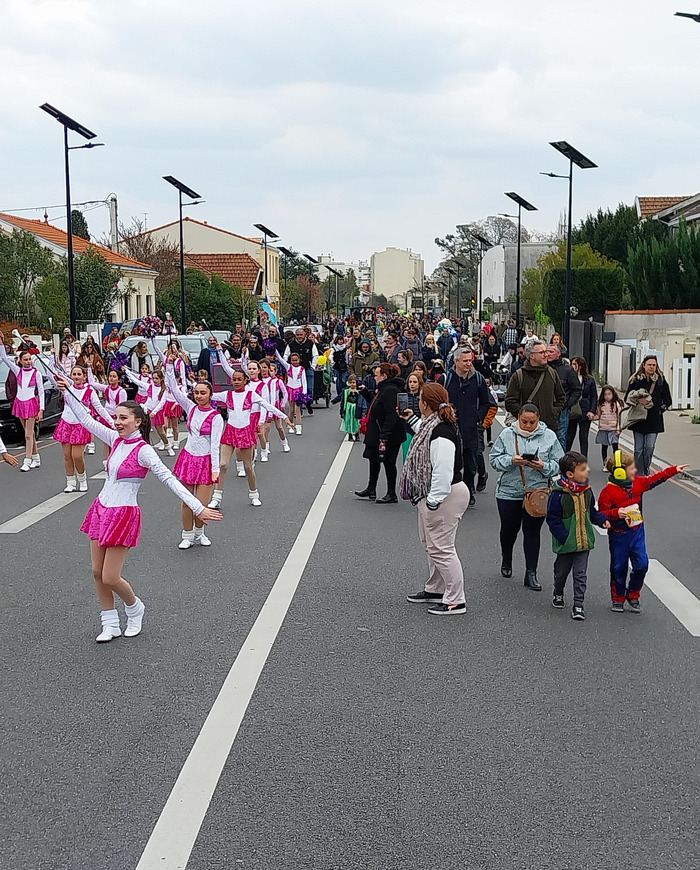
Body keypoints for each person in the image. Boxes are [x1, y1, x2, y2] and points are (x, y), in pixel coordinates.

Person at [55, 383, 221, 641]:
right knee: (97, 572)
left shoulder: (144, 451)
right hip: (101, 509)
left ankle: (134, 607)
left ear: (138, 421)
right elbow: (85, 418)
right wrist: (66, 391)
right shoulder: (113, 438)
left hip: (123, 514)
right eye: (116, 417)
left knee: (111, 576)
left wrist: (198, 507)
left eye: (123, 418)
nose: (117, 422)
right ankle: (109, 623)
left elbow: (169, 478)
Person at [401, 383, 469, 615]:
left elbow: (442, 469)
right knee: (431, 545)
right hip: (438, 493)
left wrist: (434, 499)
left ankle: (455, 599)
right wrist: (411, 420)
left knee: (441, 548)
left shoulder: (441, 432)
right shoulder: (435, 425)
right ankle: (437, 588)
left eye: (419, 398)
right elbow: (423, 431)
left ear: (425, 403)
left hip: (444, 494)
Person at [598, 450, 687, 612]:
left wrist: (673, 470)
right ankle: (617, 597)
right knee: (618, 567)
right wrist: (615, 513)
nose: (635, 471)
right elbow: (601, 515)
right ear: (619, 472)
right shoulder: (607, 492)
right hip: (618, 535)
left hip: (637, 532)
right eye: (632, 468)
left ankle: (633, 594)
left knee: (642, 565)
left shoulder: (637, 483)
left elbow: (654, 479)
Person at [489, 403, 564, 589]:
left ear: (538, 418)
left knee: (532, 532)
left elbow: (560, 463)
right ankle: (506, 558)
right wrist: (511, 461)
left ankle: (531, 573)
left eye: (532, 422)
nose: (528, 425)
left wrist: (543, 466)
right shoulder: (507, 434)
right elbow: (494, 460)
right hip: (509, 491)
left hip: (537, 492)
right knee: (509, 530)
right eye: (524, 422)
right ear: (518, 419)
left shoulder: (549, 436)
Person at [164, 361, 223, 549]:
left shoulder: (216, 417)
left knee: (201, 503)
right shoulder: (190, 408)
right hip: (189, 458)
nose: (199, 396)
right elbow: (173, 388)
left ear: (210, 395)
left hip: (206, 461)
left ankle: (200, 533)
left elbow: (215, 446)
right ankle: (187, 535)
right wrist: (168, 365)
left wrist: (215, 470)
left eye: (203, 393)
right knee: (187, 501)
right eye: (196, 392)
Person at [546, 451, 610, 620]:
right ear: (570, 474)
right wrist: (564, 536)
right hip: (566, 543)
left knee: (580, 574)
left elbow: (592, 512)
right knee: (561, 572)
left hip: (584, 542)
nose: (587, 471)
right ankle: (558, 591)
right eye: (582, 469)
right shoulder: (558, 494)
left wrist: (602, 520)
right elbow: (552, 519)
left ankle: (578, 605)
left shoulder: (587, 491)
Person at [50, 364, 114, 492]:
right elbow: (52, 376)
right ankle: (71, 482)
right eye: (74, 374)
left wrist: (112, 423)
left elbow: (99, 408)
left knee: (77, 456)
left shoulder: (89, 391)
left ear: (85, 376)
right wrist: (52, 359)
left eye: (79, 374)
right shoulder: (67, 388)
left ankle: (82, 478)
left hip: (80, 425)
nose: (76, 377)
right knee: (67, 456)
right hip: (66, 423)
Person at [444, 346, 495, 507]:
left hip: (471, 428)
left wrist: (478, 418)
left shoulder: (478, 379)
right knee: (451, 462)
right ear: (456, 361)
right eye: (465, 361)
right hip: (451, 428)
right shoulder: (446, 379)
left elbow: (487, 402)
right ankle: (453, 491)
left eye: (470, 360)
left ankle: (468, 491)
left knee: (471, 463)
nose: (468, 364)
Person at [355, 362, 406, 504]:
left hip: (388, 433)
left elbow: (391, 414)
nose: (374, 377)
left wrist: (385, 434)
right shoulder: (383, 389)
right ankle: (371, 488)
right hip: (377, 430)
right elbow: (377, 405)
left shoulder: (390, 390)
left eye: (376, 375)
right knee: (374, 457)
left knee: (389, 462)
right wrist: (365, 393)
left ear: (384, 376)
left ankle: (391, 493)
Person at [0, 332, 45, 472]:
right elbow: (4, 358)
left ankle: (27, 460)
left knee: (27, 434)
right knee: (29, 433)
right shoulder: (17, 371)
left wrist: (41, 409)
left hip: (31, 403)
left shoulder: (36, 373)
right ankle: (36, 457)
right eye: (25, 359)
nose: (28, 361)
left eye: (29, 359)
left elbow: (41, 391)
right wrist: (1, 342)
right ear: (20, 361)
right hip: (20, 403)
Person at [624, 355, 672, 476]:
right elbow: (626, 398)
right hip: (638, 419)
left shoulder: (660, 381)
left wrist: (661, 409)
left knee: (649, 448)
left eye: (654, 365)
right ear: (644, 365)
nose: (651, 367)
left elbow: (668, 400)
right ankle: (638, 473)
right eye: (649, 365)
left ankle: (646, 469)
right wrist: (638, 401)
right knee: (638, 450)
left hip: (654, 420)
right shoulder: (635, 380)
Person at [505, 341, 565, 433]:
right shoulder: (519, 375)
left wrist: (554, 412)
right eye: (542, 352)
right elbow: (510, 402)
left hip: (548, 428)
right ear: (532, 355)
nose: (546, 355)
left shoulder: (552, 373)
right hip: (525, 430)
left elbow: (561, 397)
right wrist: (525, 415)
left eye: (546, 352)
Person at [547, 343, 582, 449]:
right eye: (546, 351)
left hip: (561, 410)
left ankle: (560, 462)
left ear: (558, 354)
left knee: (561, 436)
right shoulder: (542, 368)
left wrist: (567, 404)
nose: (548, 354)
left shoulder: (567, 370)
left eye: (551, 352)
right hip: (545, 408)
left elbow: (577, 389)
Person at [566, 357, 597, 456]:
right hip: (573, 410)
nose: (572, 366)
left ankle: (584, 461)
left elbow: (594, 396)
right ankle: (566, 460)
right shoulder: (569, 377)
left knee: (583, 437)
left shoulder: (590, 379)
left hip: (585, 410)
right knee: (569, 437)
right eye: (572, 364)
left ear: (580, 365)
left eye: (575, 364)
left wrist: (592, 411)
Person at [285, 328, 319, 414]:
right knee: (297, 391)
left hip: (307, 369)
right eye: (298, 335)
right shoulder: (291, 344)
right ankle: (299, 410)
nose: (299, 337)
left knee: (309, 389)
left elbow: (315, 355)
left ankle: (308, 403)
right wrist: (288, 367)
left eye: (301, 335)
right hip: (295, 371)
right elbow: (286, 356)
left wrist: (313, 366)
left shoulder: (310, 343)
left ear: (305, 335)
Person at [593, 386, 624, 471]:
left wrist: (618, 428)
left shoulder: (617, 404)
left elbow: (619, 417)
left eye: (609, 394)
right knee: (604, 447)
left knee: (615, 446)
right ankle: (605, 464)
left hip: (613, 428)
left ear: (613, 394)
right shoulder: (600, 404)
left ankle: (617, 463)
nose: (607, 396)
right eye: (605, 394)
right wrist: (592, 417)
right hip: (603, 428)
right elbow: (599, 415)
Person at [333, 372, 362, 441]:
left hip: (356, 408)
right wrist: (335, 401)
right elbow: (341, 398)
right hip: (348, 408)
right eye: (351, 382)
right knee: (348, 421)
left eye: (353, 382)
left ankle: (357, 434)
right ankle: (350, 435)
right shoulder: (346, 391)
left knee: (356, 421)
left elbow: (362, 400)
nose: (352, 384)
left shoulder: (359, 391)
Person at [402, 371, 423, 460]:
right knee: (406, 454)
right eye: (410, 382)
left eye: (414, 382)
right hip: (407, 428)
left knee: (420, 455)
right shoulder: (404, 396)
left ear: (419, 383)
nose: (412, 384)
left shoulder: (423, 396)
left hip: (420, 428)